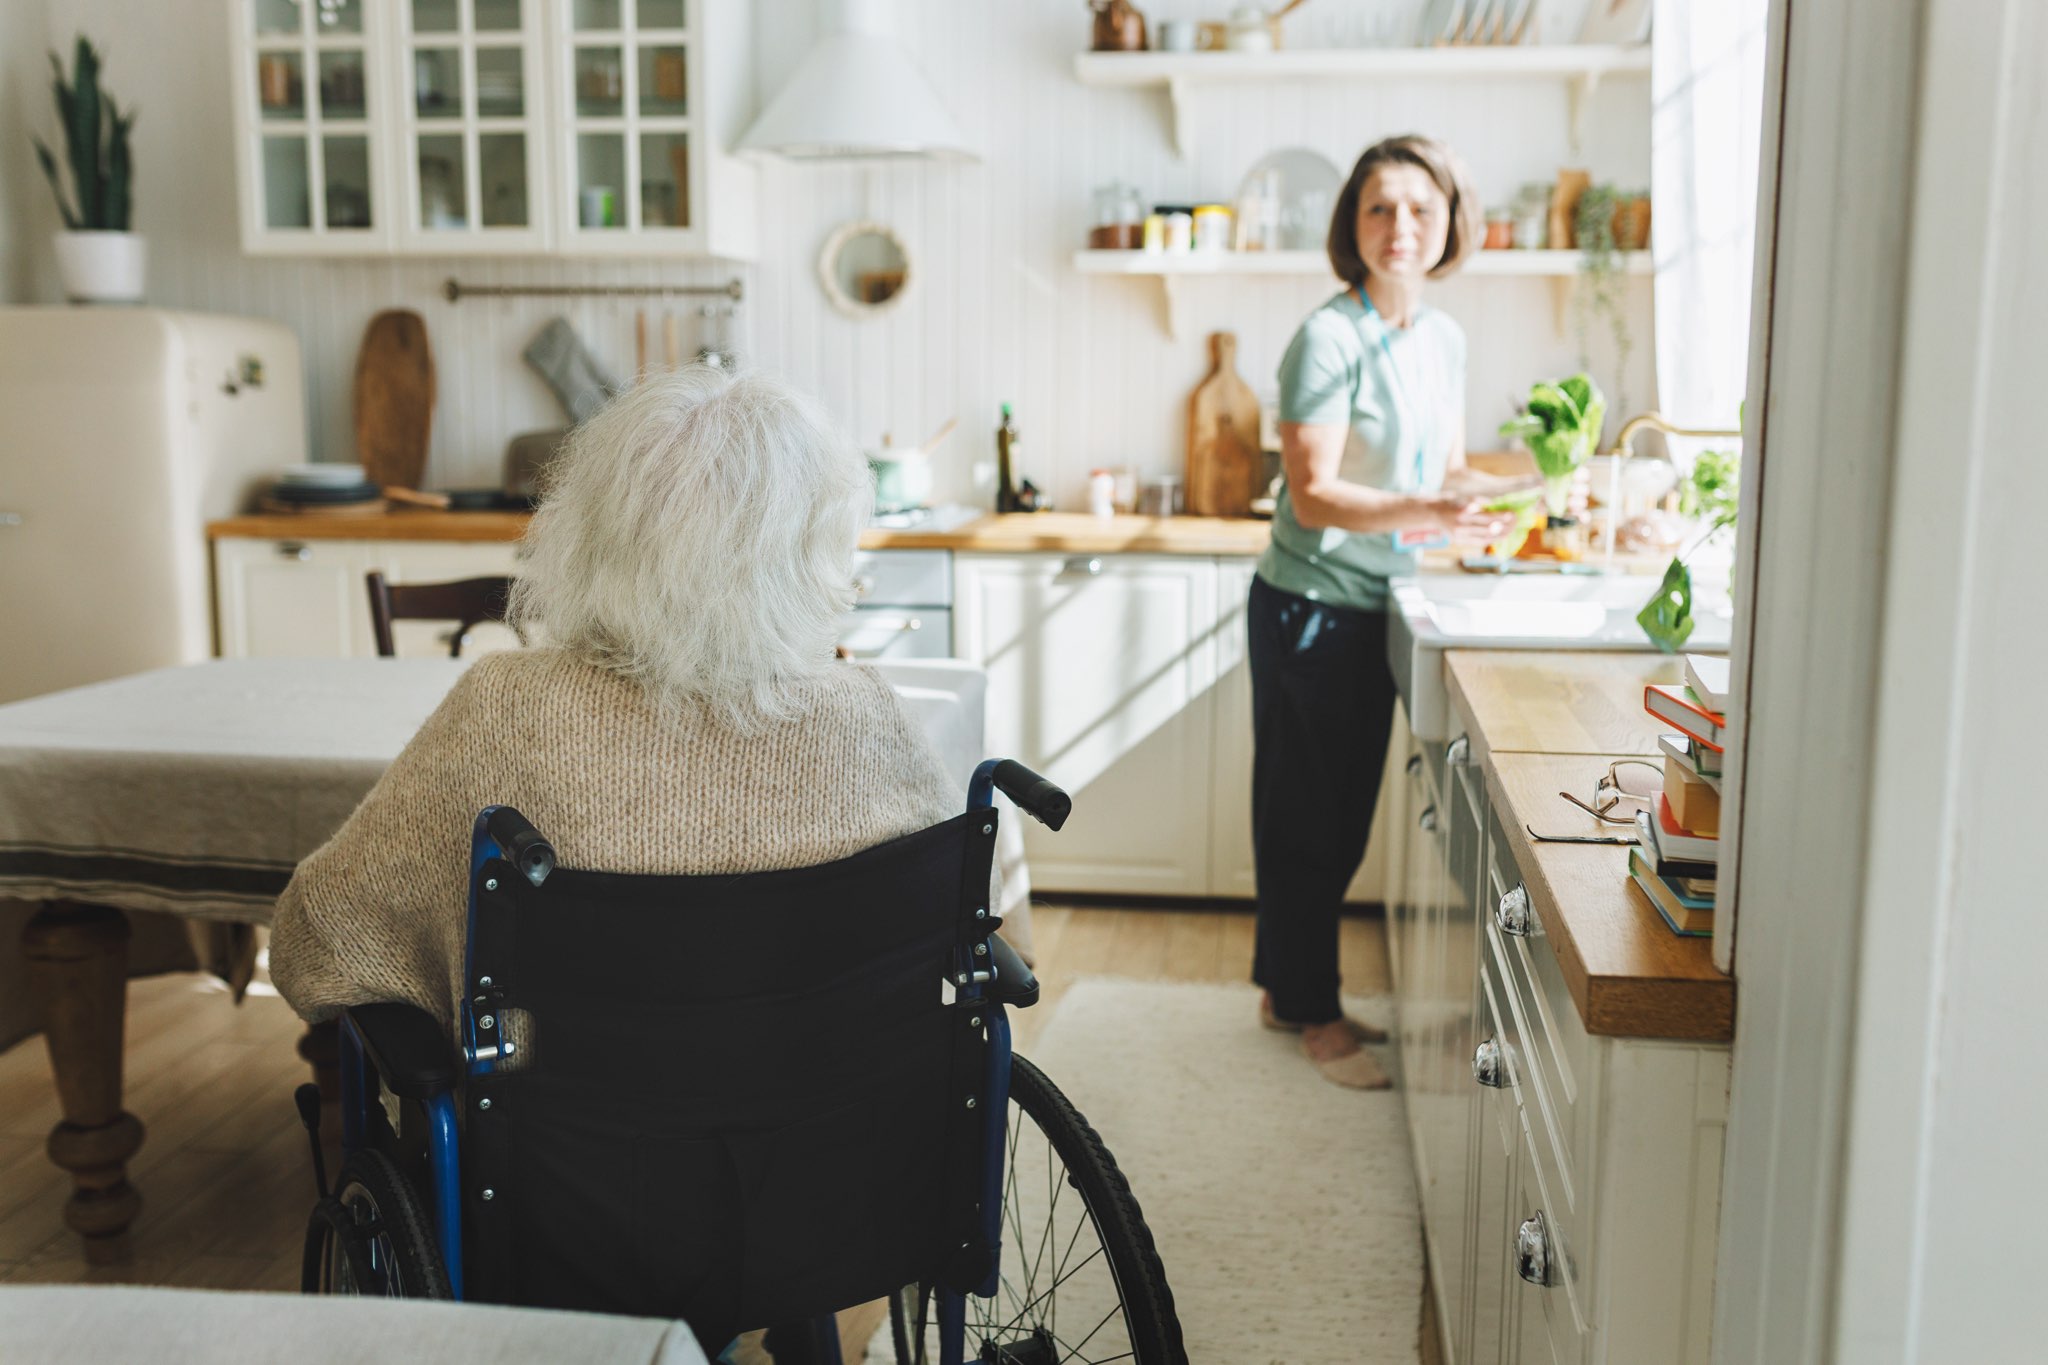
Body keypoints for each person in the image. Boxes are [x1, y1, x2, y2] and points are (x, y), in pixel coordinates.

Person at [270, 364, 1008, 1041]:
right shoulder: (866, 716)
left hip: (565, 1160)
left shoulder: (503, 708)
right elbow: (971, 915)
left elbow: (318, 946)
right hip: (831, 1140)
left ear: (589, 526)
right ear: (813, 550)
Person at [1248, 134, 1525, 1089]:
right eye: (1378, 208)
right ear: (1351, 225)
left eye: (1419, 207)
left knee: (1345, 815)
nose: (1399, 226)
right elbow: (1314, 493)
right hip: (1313, 604)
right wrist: (1429, 509)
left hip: (1385, 600)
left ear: (1451, 221)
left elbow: (1444, 470)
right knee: (1305, 818)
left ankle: (1290, 992)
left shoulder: (1441, 338)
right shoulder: (1328, 336)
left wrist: (1499, 500)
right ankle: (1314, 1015)